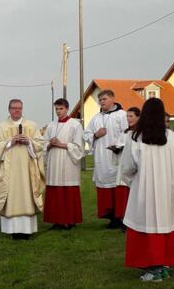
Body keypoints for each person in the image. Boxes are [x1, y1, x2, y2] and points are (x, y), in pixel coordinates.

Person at [120, 97, 174, 282]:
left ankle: (153, 269)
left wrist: (132, 181)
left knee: (147, 225)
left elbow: (128, 167)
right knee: (163, 224)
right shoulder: (171, 137)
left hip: (144, 188)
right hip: (167, 187)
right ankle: (163, 265)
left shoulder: (135, 137)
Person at [0, 99, 47, 240]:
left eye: (19, 108)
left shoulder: (32, 126)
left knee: (27, 196)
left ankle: (27, 231)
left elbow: (40, 145)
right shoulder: (2, 127)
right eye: (14, 108)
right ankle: (13, 231)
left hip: (27, 170)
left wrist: (29, 142)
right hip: (9, 170)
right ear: (9, 109)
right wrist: (10, 142)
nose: (17, 110)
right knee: (12, 197)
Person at [86, 90, 127, 229]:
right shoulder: (96, 118)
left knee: (118, 187)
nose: (102, 102)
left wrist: (119, 146)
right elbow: (86, 134)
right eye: (100, 100)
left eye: (104, 99)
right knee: (105, 189)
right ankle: (111, 217)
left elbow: (127, 133)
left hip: (117, 157)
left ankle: (121, 217)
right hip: (102, 159)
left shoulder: (122, 115)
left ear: (112, 99)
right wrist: (96, 135)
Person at [43, 98, 85, 230]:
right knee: (55, 190)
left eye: (61, 109)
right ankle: (57, 220)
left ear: (67, 109)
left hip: (68, 162)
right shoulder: (51, 125)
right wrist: (50, 144)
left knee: (68, 190)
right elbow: (43, 145)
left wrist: (61, 144)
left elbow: (79, 147)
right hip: (54, 161)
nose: (58, 111)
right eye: (56, 109)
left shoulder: (75, 125)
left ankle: (69, 220)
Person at [114, 106, 141, 227]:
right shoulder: (125, 132)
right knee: (123, 194)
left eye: (131, 116)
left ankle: (132, 220)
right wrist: (116, 149)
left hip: (134, 169)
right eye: (127, 116)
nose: (128, 119)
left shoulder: (140, 133)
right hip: (123, 166)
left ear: (138, 117)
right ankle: (123, 219)